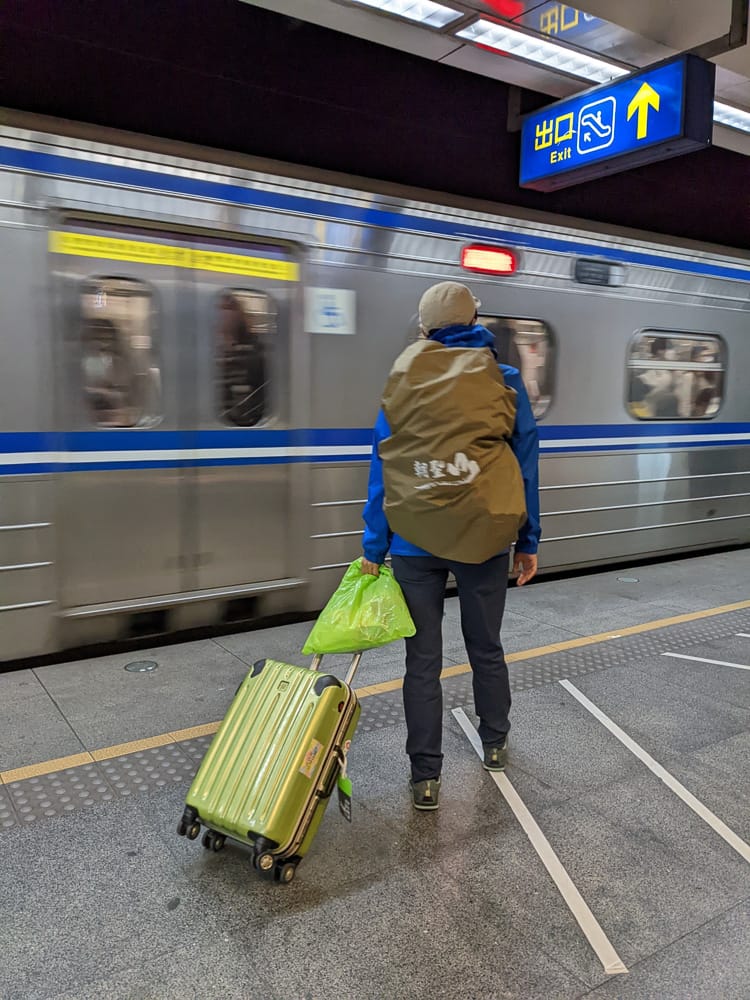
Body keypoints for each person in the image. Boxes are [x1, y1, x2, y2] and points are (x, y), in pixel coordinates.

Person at [361, 281, 541, 811]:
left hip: (414, 542)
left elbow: (383, 469)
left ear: (425, 329)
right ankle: (495, 744)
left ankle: (425, 777)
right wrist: (527, 539)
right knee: (486, 648)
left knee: (423, 661)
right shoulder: (504, 379)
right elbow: (525, 467)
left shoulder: (403, 381)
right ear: (476, 320)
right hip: (484, 539)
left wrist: (375, 545)